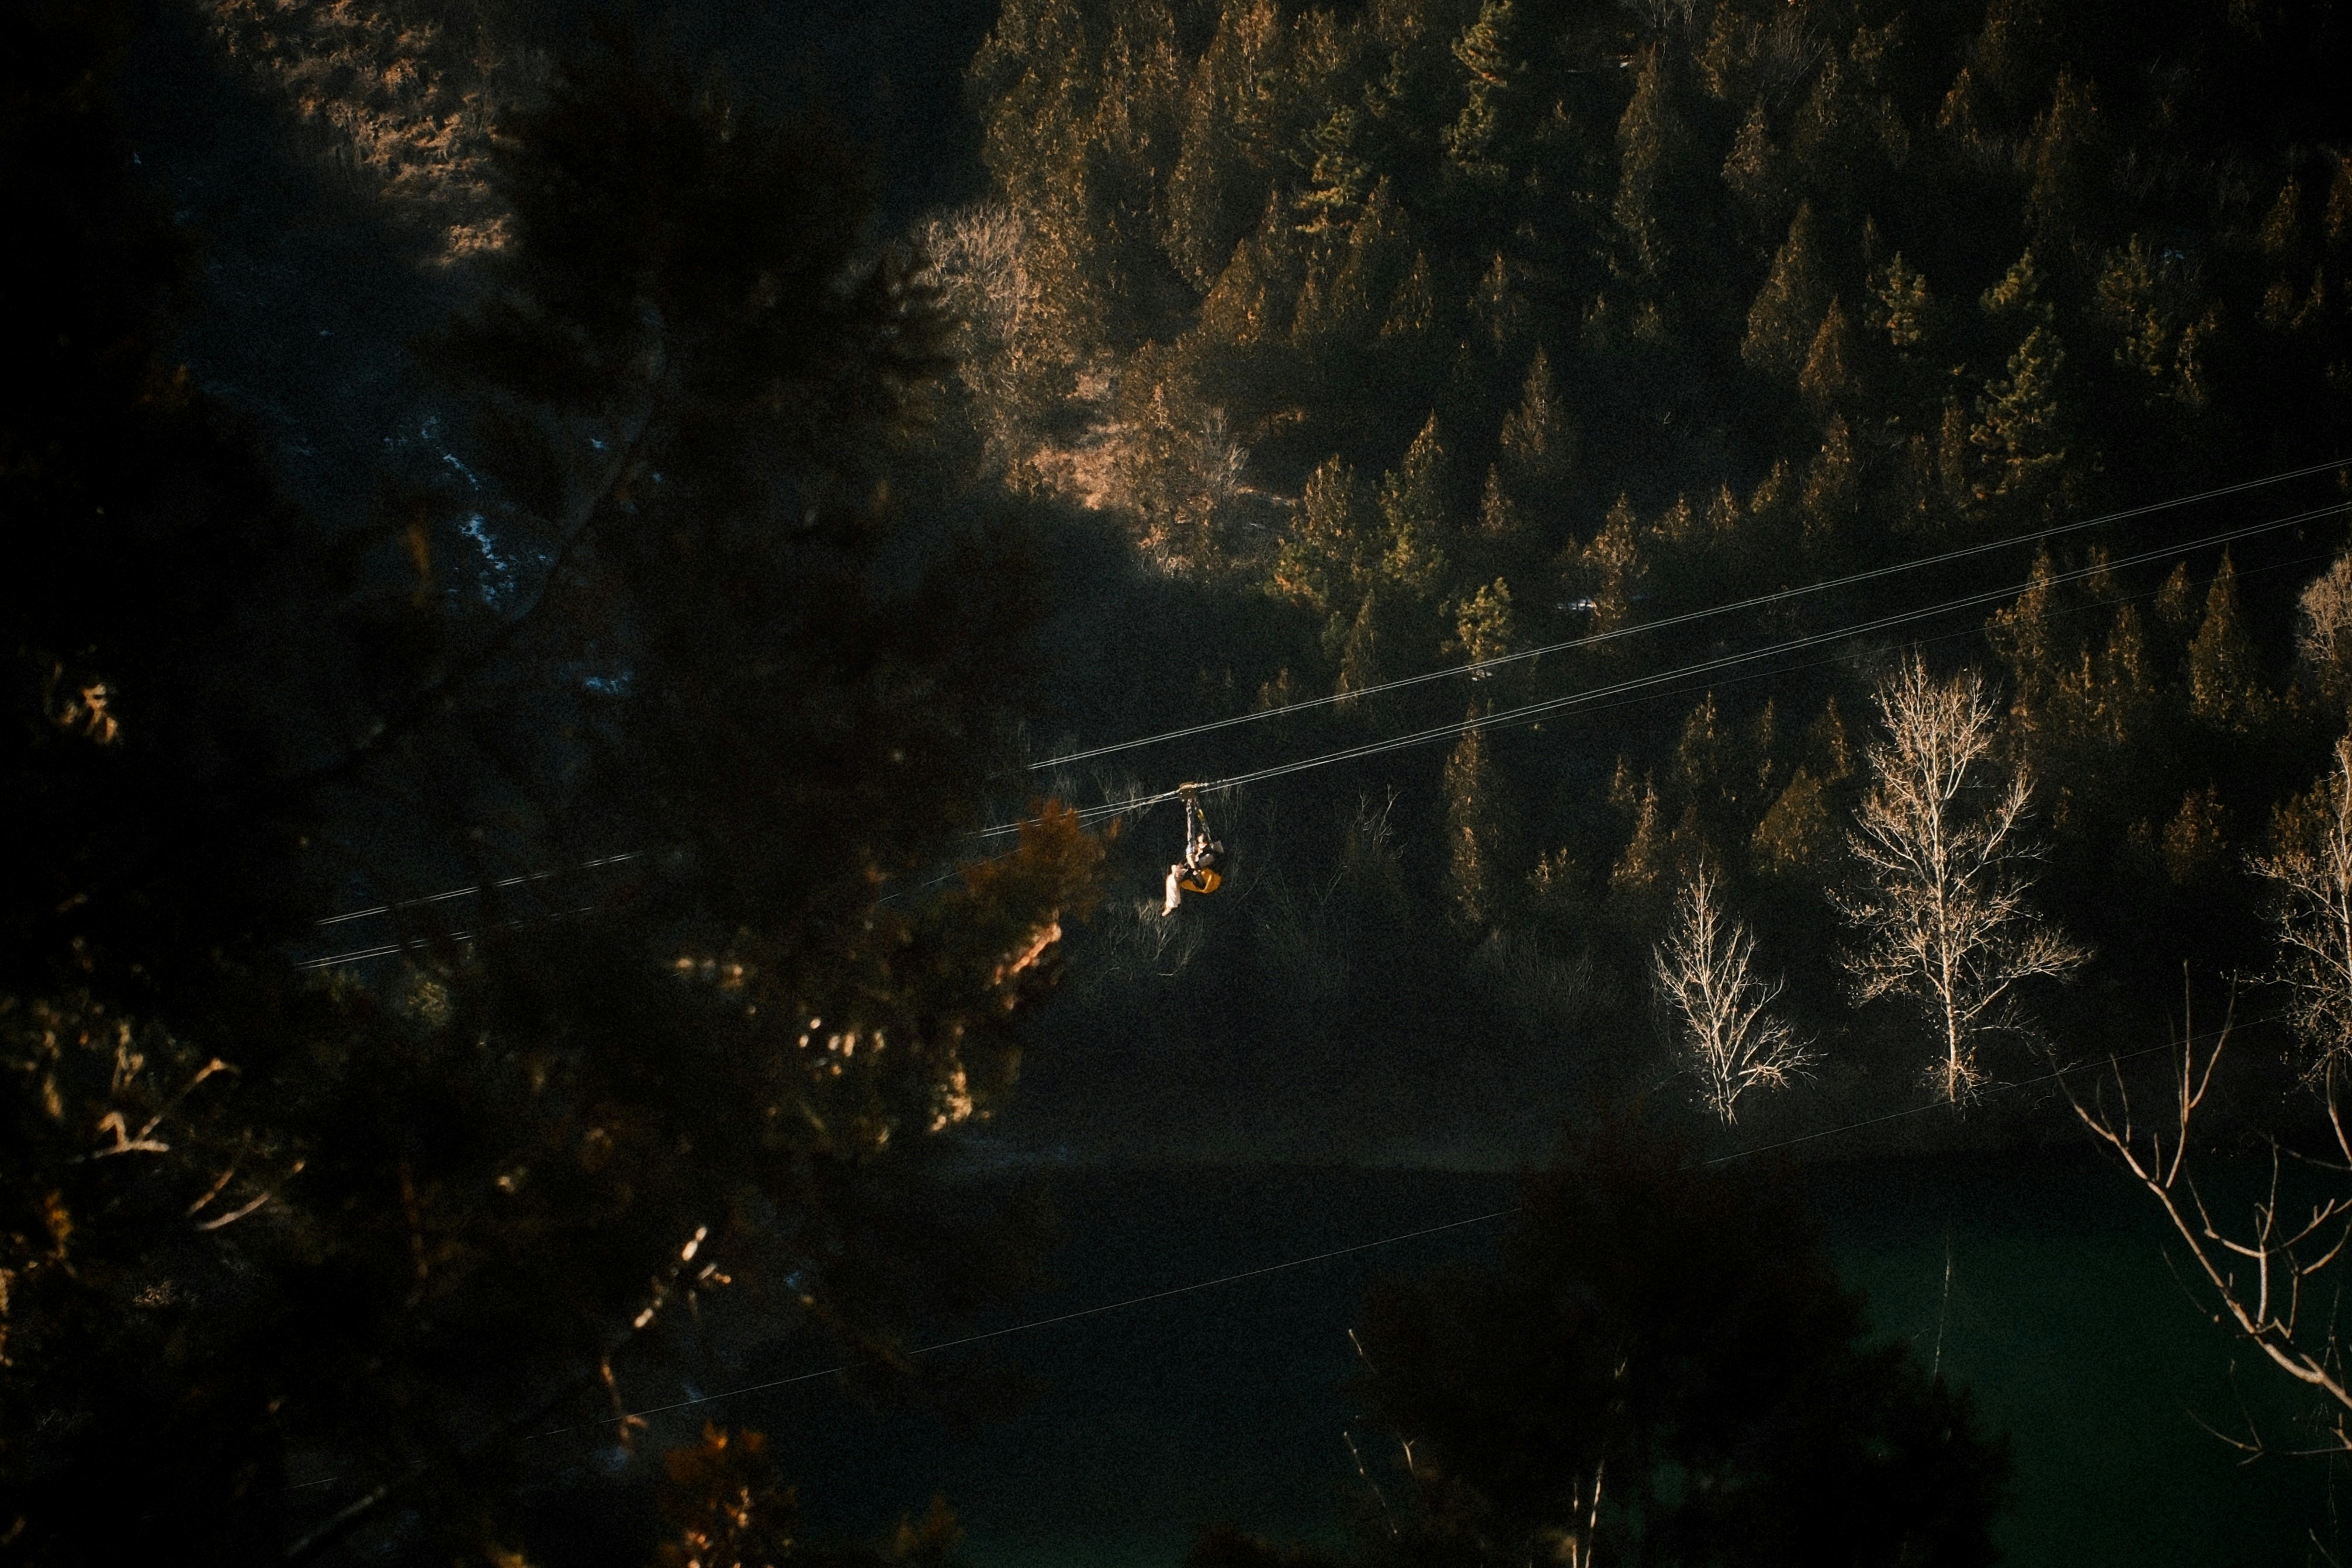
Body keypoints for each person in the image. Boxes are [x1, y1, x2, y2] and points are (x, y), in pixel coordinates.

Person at [1163, 786, 1224, 915]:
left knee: (1175, 876)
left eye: (1201, 843)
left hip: (1209, 875)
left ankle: (1171, 905)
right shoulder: (1200, 854)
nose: (1199, 845)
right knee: (1173, 878)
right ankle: (1171, 904)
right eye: (1200, 843)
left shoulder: (1210, 852)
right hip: (1206, 879)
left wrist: (1192, 807)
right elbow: (1202, 826)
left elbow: (1203, 830)